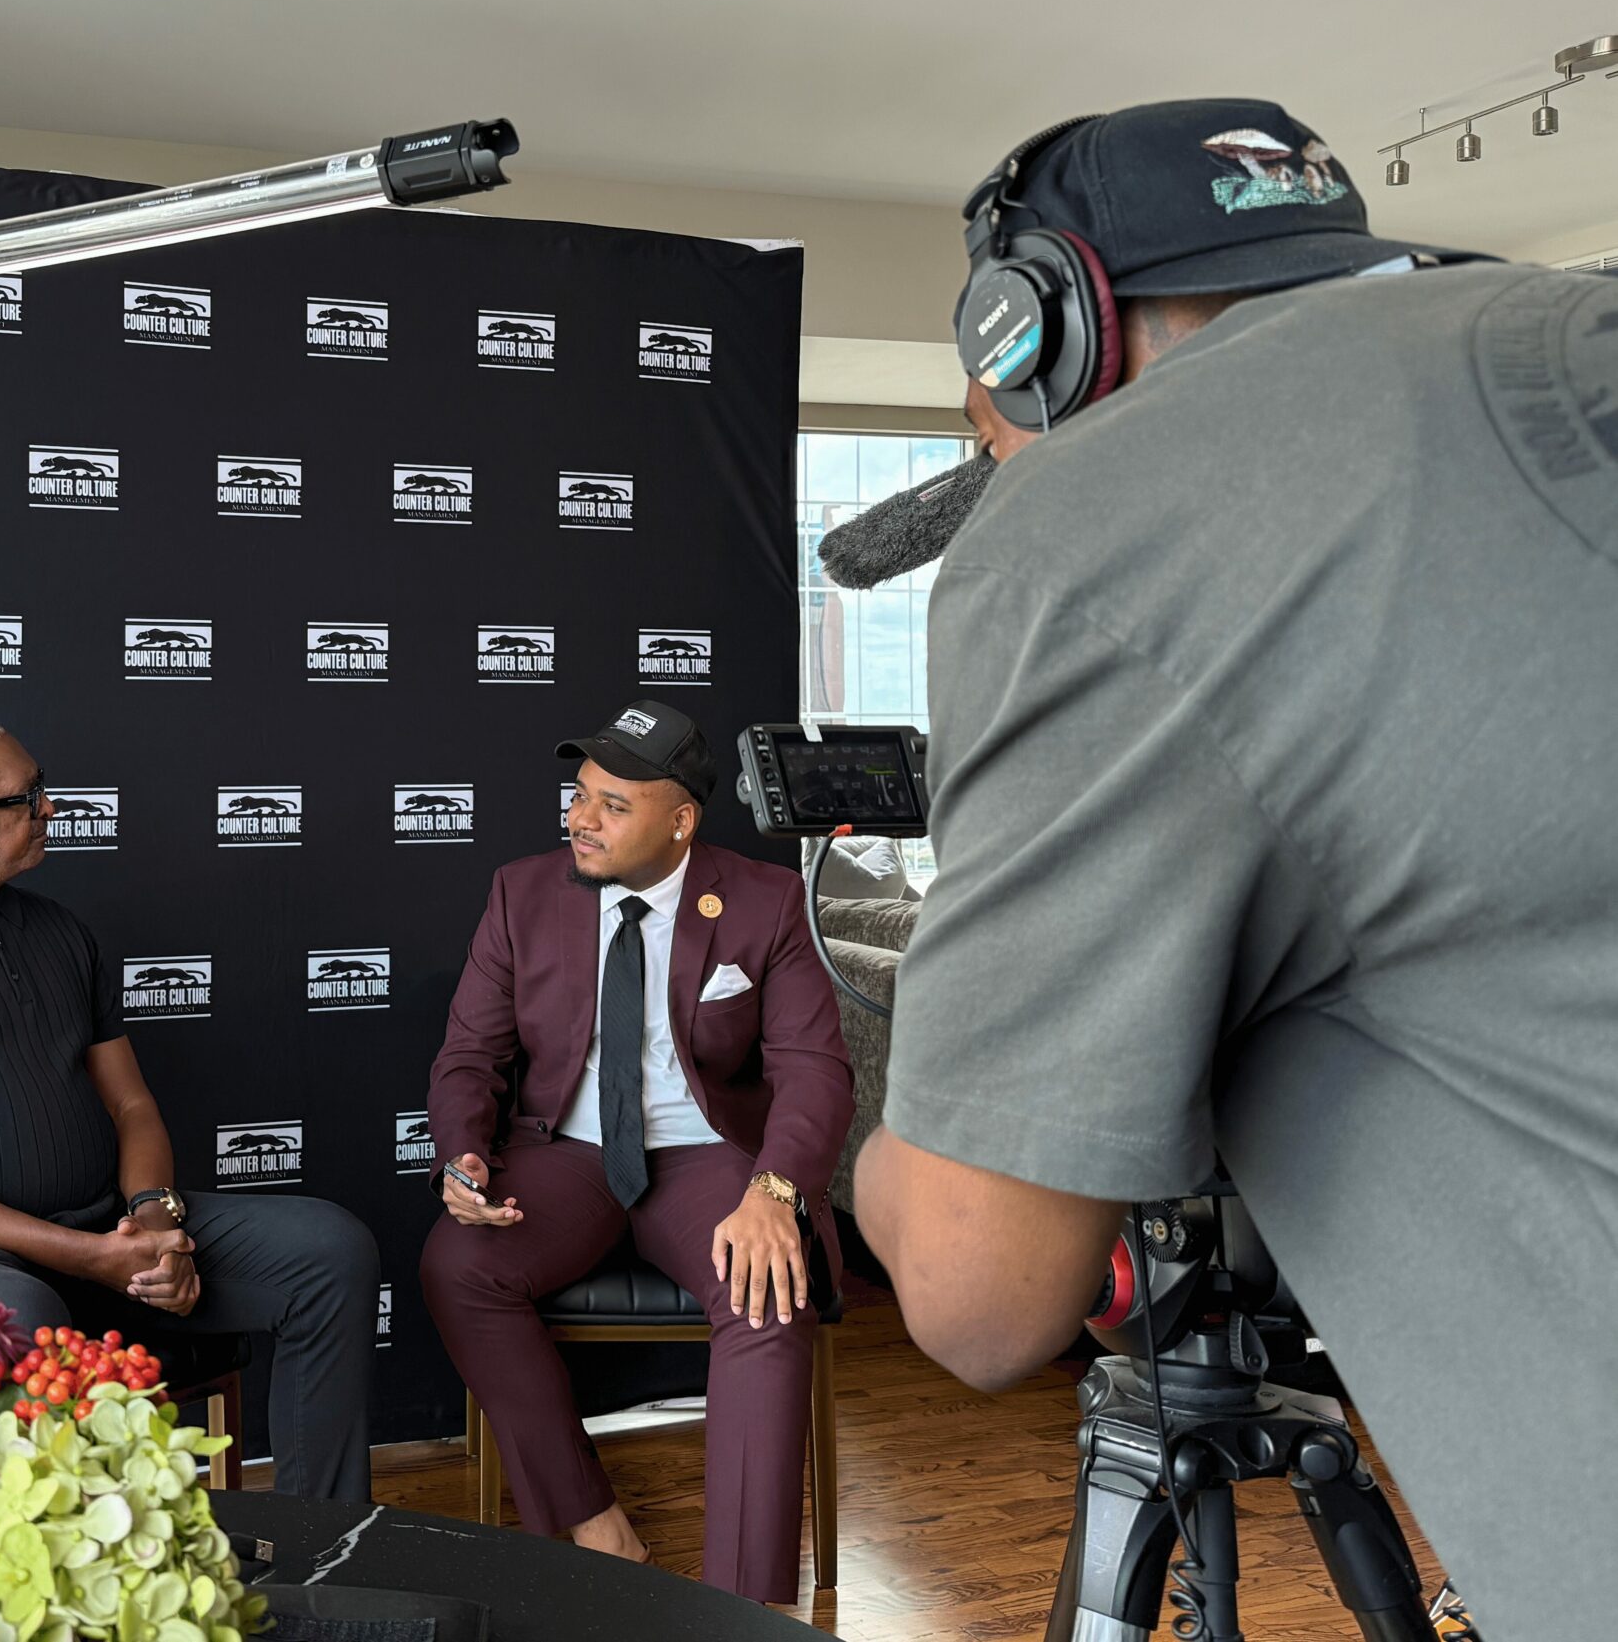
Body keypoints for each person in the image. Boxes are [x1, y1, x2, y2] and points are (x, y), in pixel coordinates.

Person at [852, 98, 1618, 1638]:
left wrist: (883, 1145)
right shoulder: (1567, 334)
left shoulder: (1092, 511)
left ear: (1033, 326)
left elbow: (981, 1292)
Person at [0, 717, 380, 1499]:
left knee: (329, 1249)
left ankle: (324, 1550)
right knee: (24, 1306)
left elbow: (131, 1104)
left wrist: (154, 1218)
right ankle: (72, 1579)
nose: (51, 808)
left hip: (102, 1230)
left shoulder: (59, 932)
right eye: (26, 797)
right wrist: (84, 1253)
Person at [421, 700, 854, 1604]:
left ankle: (745, 1611)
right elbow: (469, 1055)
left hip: (708, 1158)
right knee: (458, 1262)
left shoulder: (765, 899)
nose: (581, 818)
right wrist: (464, 1153)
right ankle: (592, 1526)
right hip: (568, 1152)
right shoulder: (522, 891)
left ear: (681, 819)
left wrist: (775, 1189)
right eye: (580, 795)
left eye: (613, 804)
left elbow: (814, 1070)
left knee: (767, 1287)